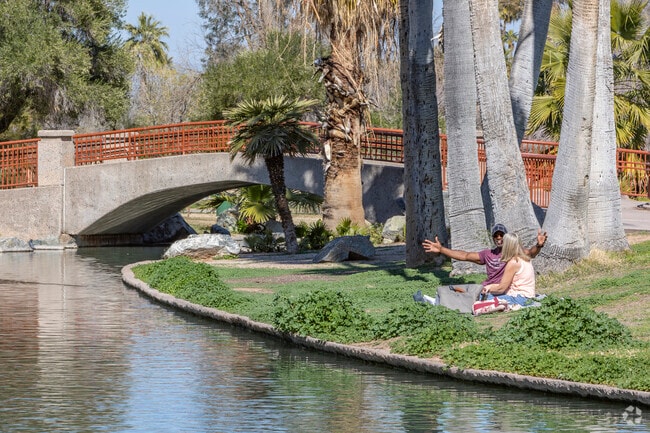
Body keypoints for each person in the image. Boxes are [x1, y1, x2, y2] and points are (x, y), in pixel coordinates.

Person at [413, 223, 547, 310]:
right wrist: (442, 250)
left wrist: (539, 245)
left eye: (502, 235)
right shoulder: (488, 254)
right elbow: (465, 256)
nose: (499, 238)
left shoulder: (514, 255)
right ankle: (435, 299)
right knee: (460, 289)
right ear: (493, 238)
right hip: (486, 288)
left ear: (507, 238)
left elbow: (530, 253)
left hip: (498, 291)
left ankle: (433, 302)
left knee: (469, 297)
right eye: (496, 235)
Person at [480, 232, 536, 308]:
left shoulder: (513, 262)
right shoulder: (525, 259)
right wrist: (490, 286)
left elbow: (501, 289)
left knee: (481, 298)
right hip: (528, 296)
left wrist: (488, 288)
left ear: (507, 246)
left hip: (520, 298)